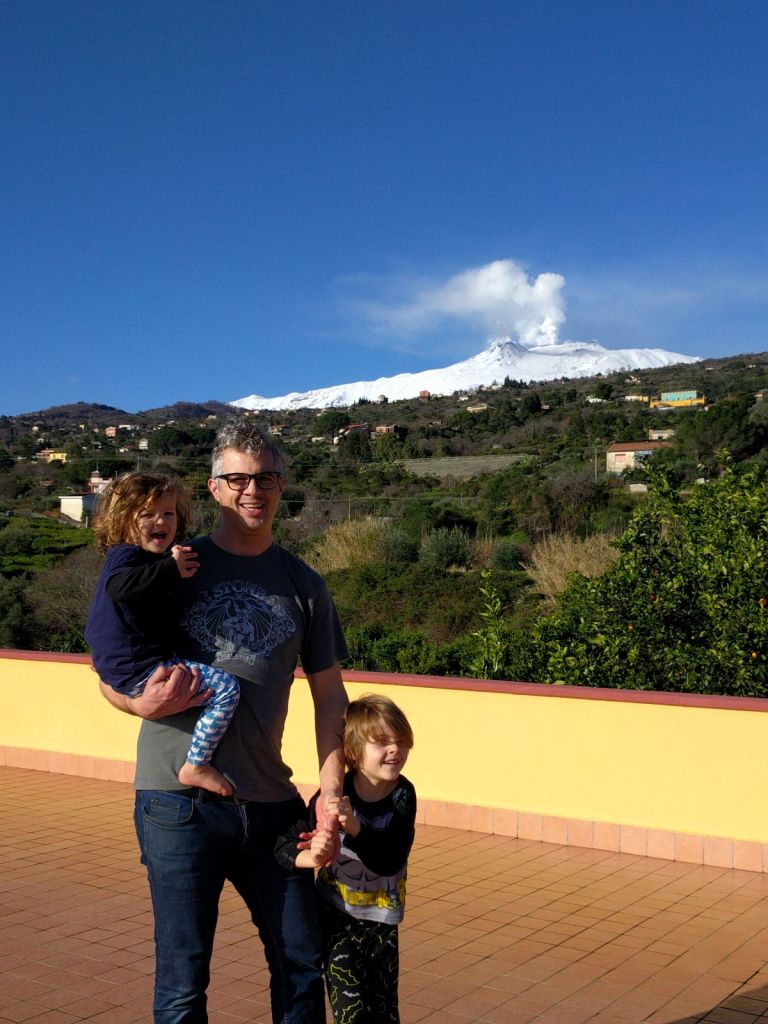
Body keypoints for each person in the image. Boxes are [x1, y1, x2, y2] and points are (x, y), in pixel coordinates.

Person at [98, 417, 350, 1024]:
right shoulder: (173, 562)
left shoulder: (305, 585)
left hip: (271, 804)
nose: (251, 491)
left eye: (265, 478)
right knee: (183, 979)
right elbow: (110, 659)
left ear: (281, 484)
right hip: (176, 803)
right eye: (237, 479)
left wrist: (331, 792)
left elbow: (329, 696)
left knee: (301, 961)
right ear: (214, 488)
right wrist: (135, 704)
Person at [86, 471, 239, 797]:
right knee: (226, 689)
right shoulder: (128, 555)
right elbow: (118, 588)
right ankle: (196, 764)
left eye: (168, 513)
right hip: (140, 668)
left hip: (124, 666)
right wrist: (170, 567)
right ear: (123, 521)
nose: (160, 521)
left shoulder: (140, 560)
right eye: (147, 514)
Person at [276, 694, 417, 1024]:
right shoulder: (333, 797)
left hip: (383, 924)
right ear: (353, 751)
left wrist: (356, 829)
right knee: (350, 1014)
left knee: (384, 1013)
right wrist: (311, 856)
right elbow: (283, 846)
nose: (395, 749)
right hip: (338, 921)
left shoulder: (403, 795)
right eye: (382, 742)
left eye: (401, 741)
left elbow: (391, 858)